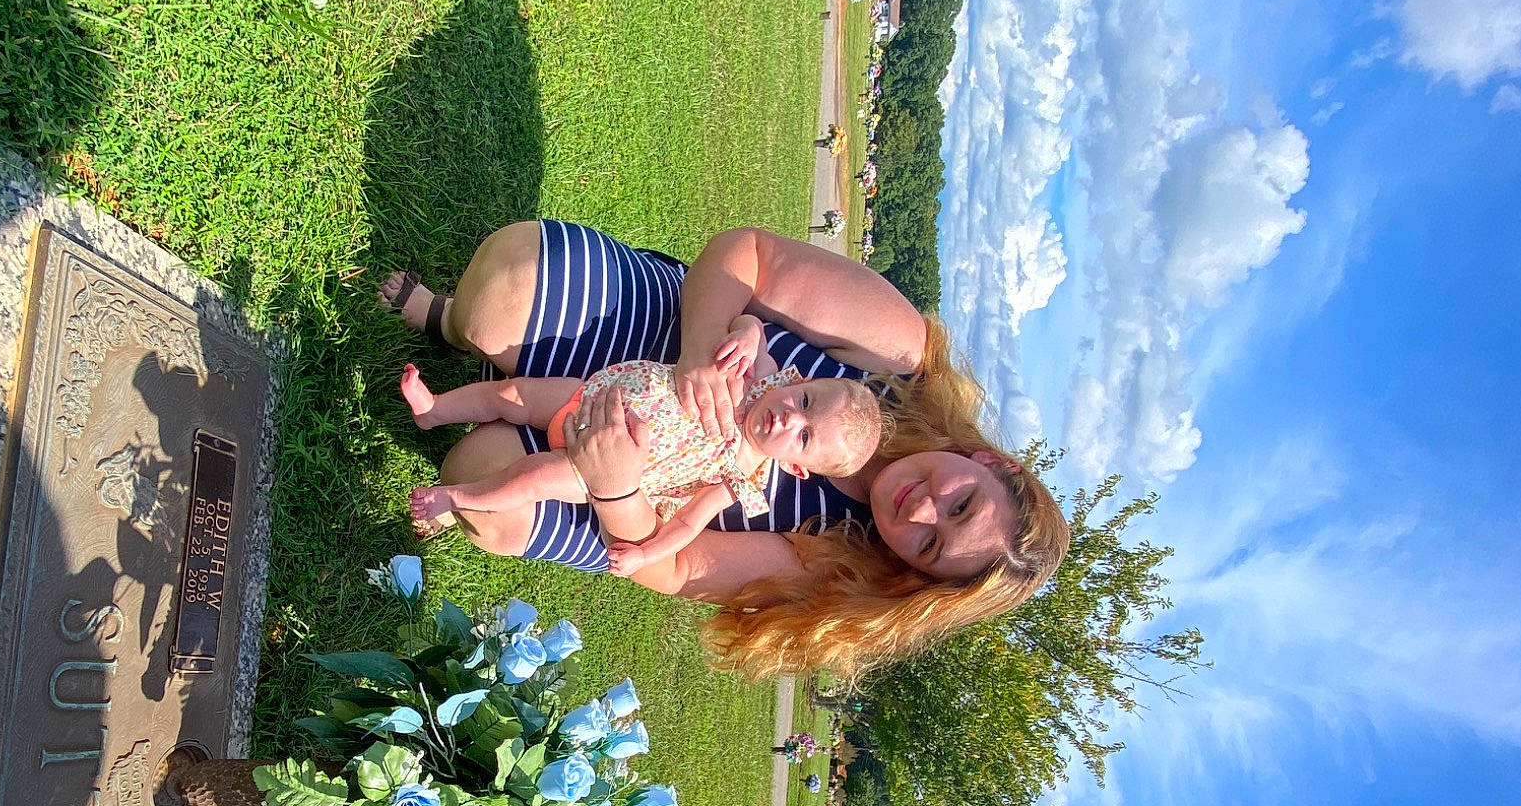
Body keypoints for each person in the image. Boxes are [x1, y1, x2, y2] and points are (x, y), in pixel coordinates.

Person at [378, 220, 1069, 677]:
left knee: (483, 494)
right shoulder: (900, 359)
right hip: (655, 337)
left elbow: (676, 564)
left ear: (917, 571)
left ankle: (497, 399)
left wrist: (616, 487)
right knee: (494, 295)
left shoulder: (839, 567)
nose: (920, 512)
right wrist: (700, 352)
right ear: (991, 463)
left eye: (930, 545)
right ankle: (452, 325)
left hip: (632, 492)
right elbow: (749, 256)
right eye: (960, 504)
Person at [398, 316, 887, 578]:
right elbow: (751, 326)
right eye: (805, 400)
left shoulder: (743, 474)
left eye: (804, 436)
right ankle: (435, 409)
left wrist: (644, 555)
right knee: (514, 394)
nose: (791, 417)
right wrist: (746, 333)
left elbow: (688, 525)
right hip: (596, 396)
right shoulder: (760, 375)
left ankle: (455, 498)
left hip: (596, 467)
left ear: (797, 468)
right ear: (799, 381)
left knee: (531, 479)